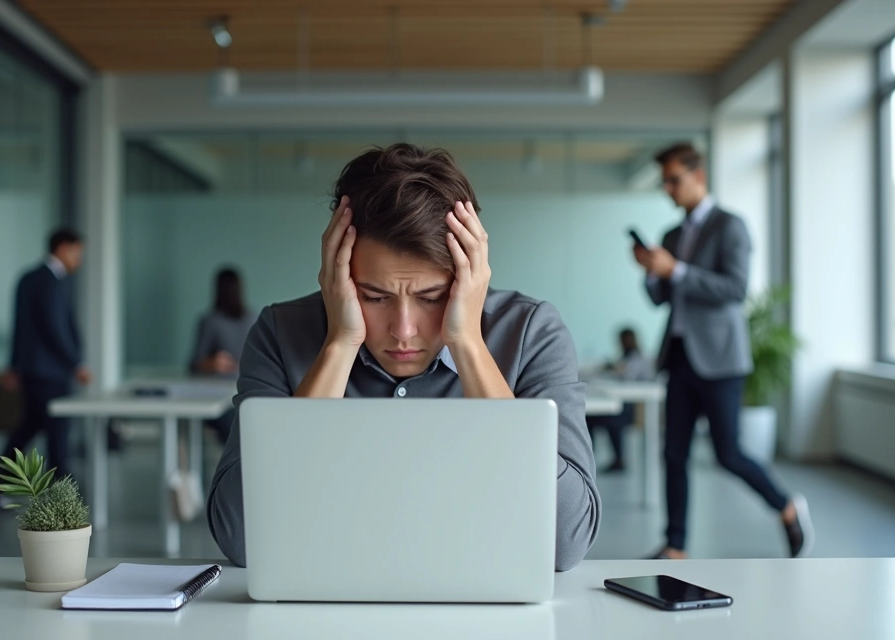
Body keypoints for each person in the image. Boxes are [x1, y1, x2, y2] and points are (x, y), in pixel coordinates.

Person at [206, 143, 600, 571]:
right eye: (374, 297)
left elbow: (565, 542)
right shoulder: (280, 334)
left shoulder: (531, 333)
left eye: (431, 297)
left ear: (469, 277)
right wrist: (339, 344)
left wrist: (467, 342)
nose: (404, 330)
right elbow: (242, 539)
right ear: (338, 275)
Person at [634, 142, 812, 559]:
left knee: (727, 453)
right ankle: (675, 545)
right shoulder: (672, 235)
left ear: (699, 177)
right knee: (673, 454)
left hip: (720, 359)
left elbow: (735, 290)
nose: (669, 189)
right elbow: (661, 297)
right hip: (678, 355)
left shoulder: (731, 226)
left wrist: (675, 269)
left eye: (674, 180)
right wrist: (650, 271)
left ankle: (786, 506)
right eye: (664, 182)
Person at [0, 228, 91, 508]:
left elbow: (20, 328)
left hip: (34, 371)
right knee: (58, 435)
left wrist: (14, 365)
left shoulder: (29, 278)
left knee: (26, 430)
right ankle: (67, 498)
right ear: (62, 248)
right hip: (50, 373)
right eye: (77, 252)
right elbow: (54, 328)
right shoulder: (51, 281)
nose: (78, 260)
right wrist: (76, 363)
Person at [187, 267, 255, 442]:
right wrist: (214, 363)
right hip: (224, 397)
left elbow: (194, 364)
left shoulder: (252, 319)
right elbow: (195, 364)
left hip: (239, 395)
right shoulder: (211, 321)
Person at [586, 328, 653, 472]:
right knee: (590, 418)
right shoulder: (624, 358)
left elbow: (628, 377)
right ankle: (588, 457)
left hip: (633, 408)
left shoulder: (638, 358)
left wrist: (616, 370)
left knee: (611, 419)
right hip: (623, 404)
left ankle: (615, 460)